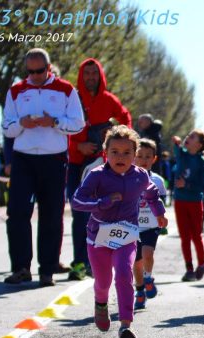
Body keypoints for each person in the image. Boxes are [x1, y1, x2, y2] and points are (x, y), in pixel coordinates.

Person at [72, 125, 167, 338]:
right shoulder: (97, 175)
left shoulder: (140, 175)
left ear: (134, 155)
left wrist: (159, 213)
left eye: (126, 152)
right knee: (103, 281)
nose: (120, 157)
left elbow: (152, 193)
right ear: (106, 153)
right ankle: (101, 304)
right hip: (98, 237)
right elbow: (77, 201)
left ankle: (126, 325)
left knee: (124, 275)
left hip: (127, 235)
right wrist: (101, 203)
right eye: (115, 152)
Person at [1, 48, 85, 286]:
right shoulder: (16, 91)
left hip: (54, 159)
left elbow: (78, 124)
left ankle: (47, 270)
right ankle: (21, 268)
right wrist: (21, 123)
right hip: (24, 159)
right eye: (31, 71)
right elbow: (6, 127)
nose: (35, 76)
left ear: (48, 68)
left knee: (51, 214)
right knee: (17, 213)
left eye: (39, 71)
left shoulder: (65, 89)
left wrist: (54, 122)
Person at [67, 58, 132, 281]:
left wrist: (116, 143)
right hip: (77, 165)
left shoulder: (109, 100)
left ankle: (100, 261)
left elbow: (126, 121)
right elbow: (61, 131)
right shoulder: (72, 99)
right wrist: (78, 146)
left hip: (102, 166)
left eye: (94, 73)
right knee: (79, 213)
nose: (91, 77)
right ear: (81, 76)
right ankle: (79, 262)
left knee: (104, 213)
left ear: (100, 75)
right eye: (87, 73)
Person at [132, 139, 167, 310]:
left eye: (148, 156)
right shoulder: (127, 178)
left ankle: (148, 278)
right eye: (140, 156)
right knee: (136, 261)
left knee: (147, 253)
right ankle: (140, 291)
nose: (143, 160)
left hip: (151, 225)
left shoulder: (157, 180)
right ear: (133, 157)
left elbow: (162, 202)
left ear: (154, 158)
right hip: (132, 226)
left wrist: (162, 218)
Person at [172, 130, 204, 281]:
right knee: (184, 236)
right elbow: (177, 147)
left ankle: (202, 264)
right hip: (179, 201)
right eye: (188, 135)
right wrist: (176, 141)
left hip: (194, 202)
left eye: (192, 137)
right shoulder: (182, 155)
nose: (187, 137)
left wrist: (186, 185)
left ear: (199, 145)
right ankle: (189, 268)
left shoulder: (202, 163)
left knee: (196, 235)